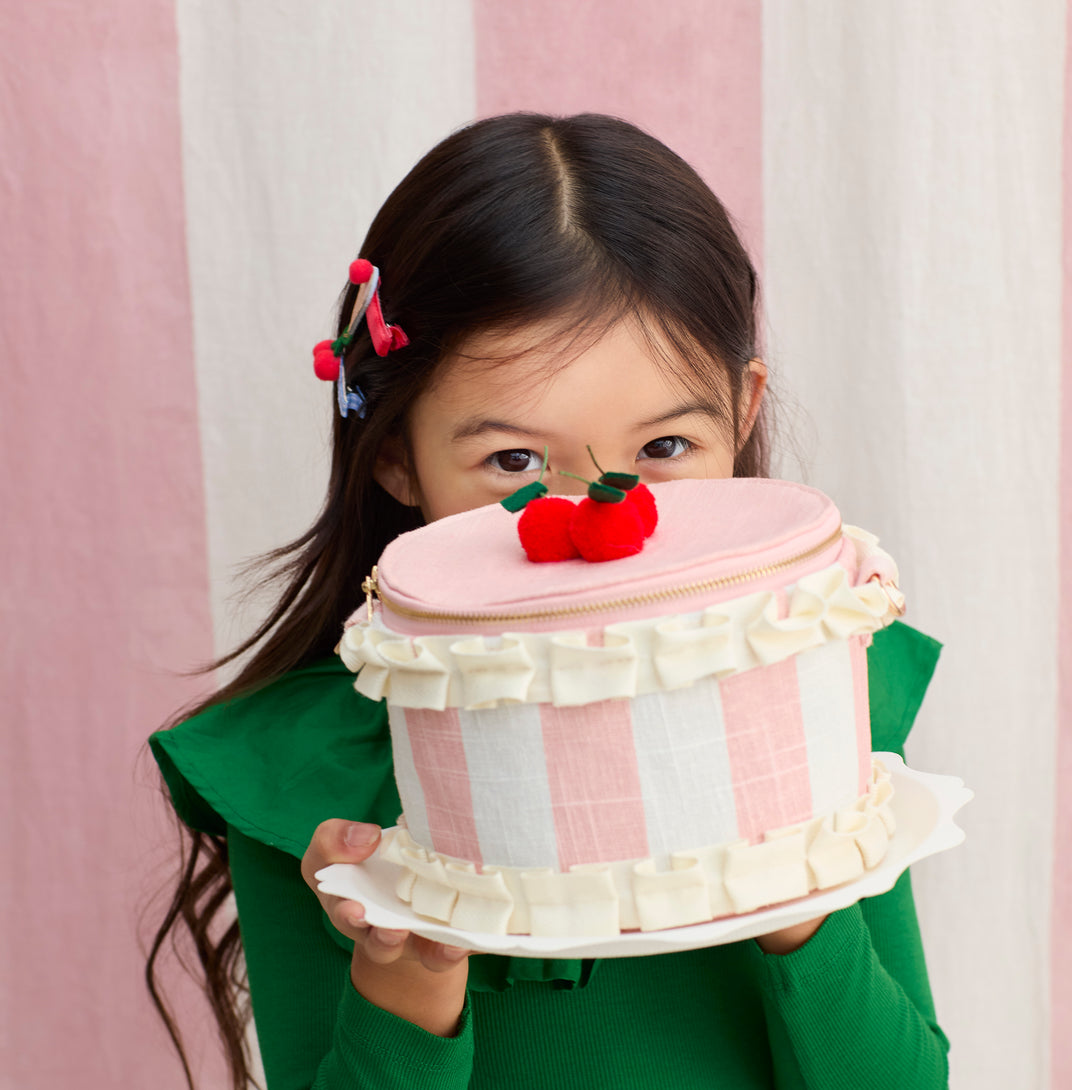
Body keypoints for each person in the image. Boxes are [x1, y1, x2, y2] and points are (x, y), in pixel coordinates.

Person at [147, 112, 949, 1089]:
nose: (595, 521)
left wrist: (796, 895)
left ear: (740, 414)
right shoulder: (308, 788)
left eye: (662, 450)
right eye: (514, 461)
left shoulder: (815, 685)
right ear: (395, 454)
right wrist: (408, 991)